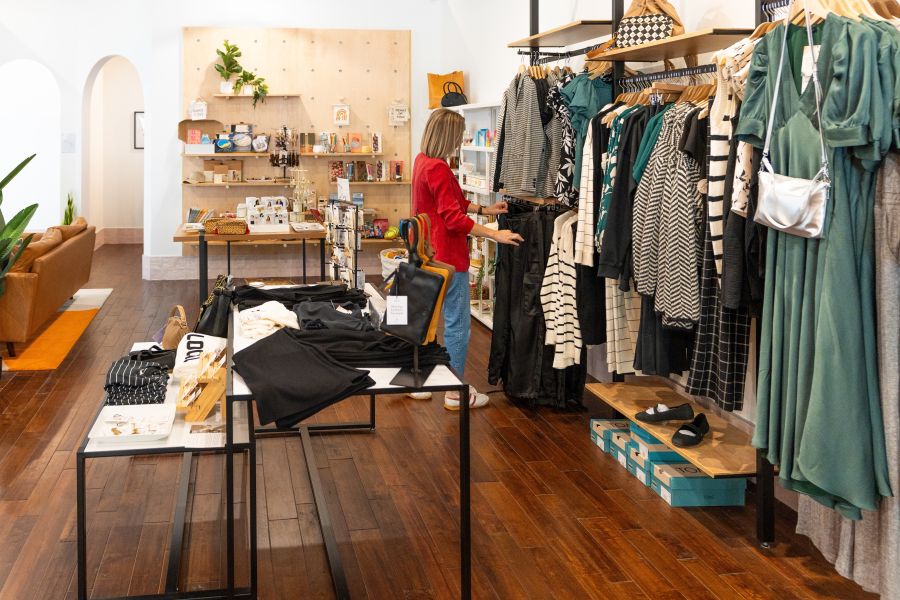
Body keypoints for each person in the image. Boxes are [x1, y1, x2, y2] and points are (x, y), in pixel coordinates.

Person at [409, 108, 524, 410]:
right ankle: (454, 391)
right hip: (447, 256)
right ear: (449, 135)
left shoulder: (423, 162)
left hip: (424, 252)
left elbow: (451, 202)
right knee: (457, 324)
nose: (462, 140)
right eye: (460, 135)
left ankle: (417, 381)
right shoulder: (440, 169)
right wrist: (495, 234)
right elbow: (452, 218)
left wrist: (486, 211)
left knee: (425, 321)